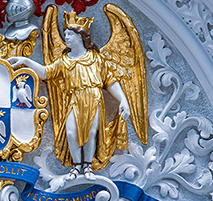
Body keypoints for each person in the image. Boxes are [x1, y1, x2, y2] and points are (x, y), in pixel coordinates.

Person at [12, 20, 130, 180]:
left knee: (91, 133)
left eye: (69, 34)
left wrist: (123, 99)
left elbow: (110, 81)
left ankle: (87, 166)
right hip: (74, 100)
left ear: (80, 36)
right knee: (71, 132)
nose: (66, 37)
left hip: (93, 99)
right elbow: (46, 73)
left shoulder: (95, 59)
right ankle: (76, 166)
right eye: (65, 34)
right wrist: (27, 61)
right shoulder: (65, 61)